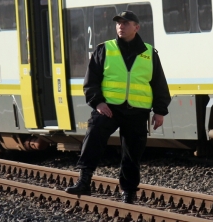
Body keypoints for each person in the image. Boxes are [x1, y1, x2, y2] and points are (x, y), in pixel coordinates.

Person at [66, 10, 171, 203]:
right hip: (109, 109)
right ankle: (84, 180)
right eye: (118, 23)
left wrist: (160, 111)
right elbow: (91, 81)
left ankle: (129, 194)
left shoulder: (149, 53)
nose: (120, 26)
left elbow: (159, 84)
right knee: (93, 136)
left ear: (136, 27)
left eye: (126, 23)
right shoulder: (105, 49)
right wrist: (98, 102)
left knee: (132, 153)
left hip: (137, 111)